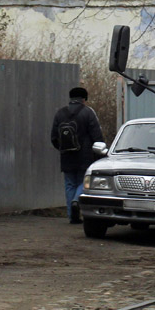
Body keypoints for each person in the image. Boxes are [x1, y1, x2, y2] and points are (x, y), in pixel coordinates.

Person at [50, 86, 104, 223]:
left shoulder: (60, 113)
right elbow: (97, 135)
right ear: (84, 99)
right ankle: (76, 201)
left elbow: (54, 137)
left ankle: (71, 216)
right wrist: (100, 152)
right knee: (83, 182)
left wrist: (62, 149)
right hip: (84, 156)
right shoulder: (88, 112)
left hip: (66, 155)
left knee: (69, 184)